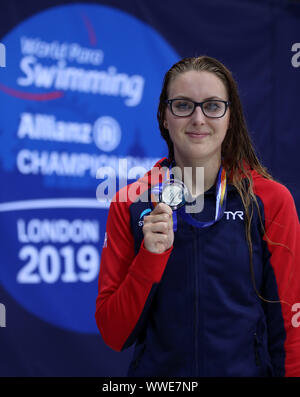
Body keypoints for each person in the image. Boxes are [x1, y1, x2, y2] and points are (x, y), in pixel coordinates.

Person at [95, 56, 300, 377]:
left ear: (230, 117)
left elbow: (290, 326)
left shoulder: (271, 200)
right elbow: (113, 333)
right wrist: (149, 258)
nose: (198, 118)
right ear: (163, 116)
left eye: (213, 106)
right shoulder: (131, 203)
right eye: (183, 105)